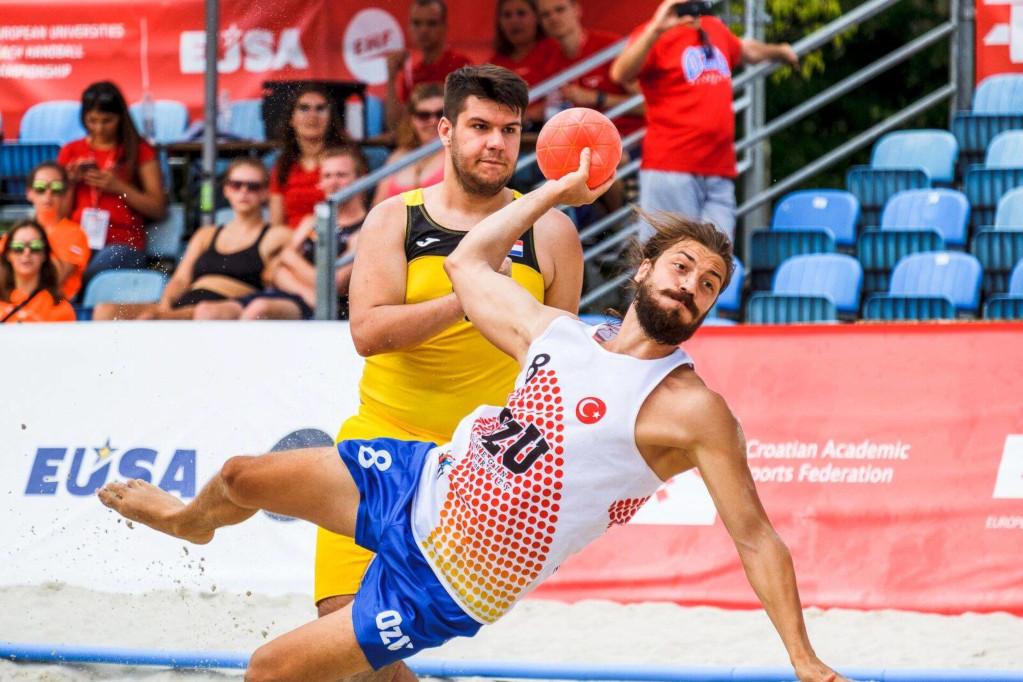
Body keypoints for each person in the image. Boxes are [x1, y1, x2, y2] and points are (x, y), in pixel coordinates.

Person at [97, 148, 849, 682]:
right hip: (423, 481)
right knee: (238, 476)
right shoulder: (563, 335)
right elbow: (467, 262)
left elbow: (755, 539)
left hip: (453, 578)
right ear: (645, 269)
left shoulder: (691, 409)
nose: (692, 287)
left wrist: (804, 661)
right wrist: (551, 191)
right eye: (682, 267)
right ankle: (187, 520)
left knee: (269, 673)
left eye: (708, 284)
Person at [314, 64, 583, 682]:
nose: (496, 143)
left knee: (363, 645)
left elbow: (556, 363)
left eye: (510, 131)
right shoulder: (395, 218)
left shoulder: (551, 232)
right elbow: (367, 332)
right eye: (480, 126)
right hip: (383, 438)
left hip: (477, 472)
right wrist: (473, 293)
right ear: (445, 131)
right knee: (340, 617)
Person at [609, 0, 800, 240]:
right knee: (667, 258)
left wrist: (779, 51)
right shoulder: (654, 32)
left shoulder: (713, 26)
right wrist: (655, 30)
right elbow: (620, 73)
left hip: (718, 166)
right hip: (672, 168)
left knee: (718, 257)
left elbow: (744, 49)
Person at [93, 159, 290, 321]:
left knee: (152, 319)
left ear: (265, 192)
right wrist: (166, 305)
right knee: (105, 312)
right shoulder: (207, 234)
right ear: (226, 190)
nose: (243, 192)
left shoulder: (275, 235)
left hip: (222, 309)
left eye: (253, 186)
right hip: (186, 305)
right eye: (236, 185)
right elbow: (180, 278)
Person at [195, 145, 370, 321]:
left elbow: (334, 285)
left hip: (332, 309)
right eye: (327, 176)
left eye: (341, 175)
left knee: (258, 310)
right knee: (206, 311)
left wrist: (289, 258)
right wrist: (309, 292)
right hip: (298, 297)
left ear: (360, 179)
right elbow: (271, 273)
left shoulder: (366, 227)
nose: (333, 182)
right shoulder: (311, 221)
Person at [57, 81, 167, 279]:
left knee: (88, 272)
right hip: (77, 241)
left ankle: (73, 289)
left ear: (121, 118)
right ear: (83, 118)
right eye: (92, 120)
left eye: (107, 120)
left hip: (124, 245)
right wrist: (70, 184)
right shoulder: (70, 151)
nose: (98, 128)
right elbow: (59, 216)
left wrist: (119, 188)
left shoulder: (139, 150)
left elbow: (158, 209)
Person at [537, 0, 645, 139]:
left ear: (576, 10)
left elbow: (647, 105)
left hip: (629, 139)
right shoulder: (549, 59)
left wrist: (596, 98)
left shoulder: (609, 47)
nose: (553, 17)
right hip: (582, 142)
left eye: (560, 9)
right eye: (545, 14)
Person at [0, 162, 90, 301]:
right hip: (11, 306)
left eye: (56, 188)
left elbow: (54, 280)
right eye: (40, 188)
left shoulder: (75, 234)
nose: (48, 194)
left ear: (65, 194)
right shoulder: (17, 231)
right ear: (29, 193)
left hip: (53, 309)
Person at [384, 0, 473, 132]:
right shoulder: (412, 72)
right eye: (417, 23)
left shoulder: (460, 65)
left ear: (444, 27)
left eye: (431, 23)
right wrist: (391, 78)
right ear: (409, 27)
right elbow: (396, 125)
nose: (423, 30)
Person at [269, 85, 347, 229]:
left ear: (331, 119)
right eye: (304, 108)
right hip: (290, 243)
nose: (313, 115)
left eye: (320, 108)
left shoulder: (346, 161)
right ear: (291, 120)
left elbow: (353, 213)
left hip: (335, 240)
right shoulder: (282, 166)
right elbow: (276, 225)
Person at [489, 0, 566, 128]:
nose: (514, 21)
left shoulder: (553, 49)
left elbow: (562, 97)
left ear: (536, 18)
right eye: (507, 15)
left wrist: (527, 115)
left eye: (521, 13)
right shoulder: (495, 62)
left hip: (546, 128)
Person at [372, 83, 446, 206]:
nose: (433, 121)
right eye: (424, 115)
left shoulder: (458, 155)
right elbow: (377, 205)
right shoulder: (398, 157)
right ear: (412, 119)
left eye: (440, 114)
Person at [0, 220, 76, 323]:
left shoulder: (60, 307)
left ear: (44, 254)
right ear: (8, 254)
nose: (27, 253)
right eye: (18, 247)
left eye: (36, 246)